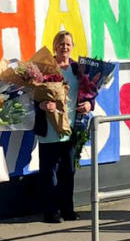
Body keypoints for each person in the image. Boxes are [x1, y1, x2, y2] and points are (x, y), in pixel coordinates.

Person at [34, 31, 93, 223]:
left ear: (72, 46)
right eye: (61, 44)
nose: (64, 47)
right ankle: (51, 211)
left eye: (68, 44)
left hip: (71, 127)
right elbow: (33, 96)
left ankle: (68, 209)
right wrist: (42, 105)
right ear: (54, 46)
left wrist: (89, 105)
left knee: (68, 170)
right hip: (50, 127)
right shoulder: (44, 67)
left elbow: (89, 93)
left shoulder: (79, 69)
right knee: (49, 171)